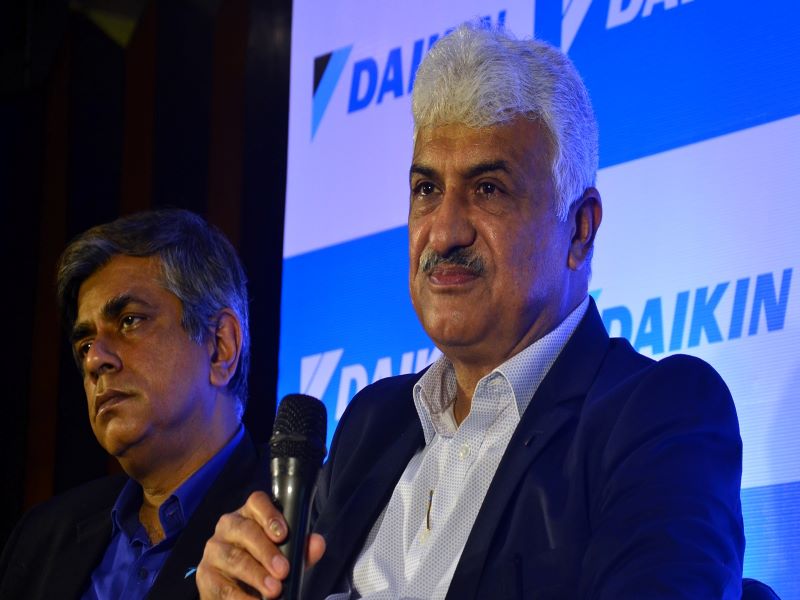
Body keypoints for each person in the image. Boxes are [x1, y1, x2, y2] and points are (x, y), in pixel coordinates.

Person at [196, 23, 745, 599]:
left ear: (579, 230)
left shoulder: (659, 414)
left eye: (488, 189)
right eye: (427, 190)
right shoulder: (371, 424)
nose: (444, 232)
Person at [0, 209, 267, 599]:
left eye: (129, 321)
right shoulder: (41, 540)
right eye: (85, 344)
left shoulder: (294, 520)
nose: (95, 360)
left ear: (219, 347)